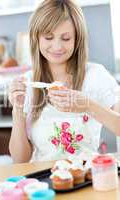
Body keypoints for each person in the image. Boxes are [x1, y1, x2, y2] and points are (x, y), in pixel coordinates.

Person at [8, 0, 120, 163]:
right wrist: (17, 110)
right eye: (48, 37)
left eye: (66, 38)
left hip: (86, 175)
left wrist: (87, 105)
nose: (57, 46)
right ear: (36, 38)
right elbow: (20, 160)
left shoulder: (95, 75)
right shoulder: (28, 82)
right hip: (42, 180)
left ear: (77, 39)